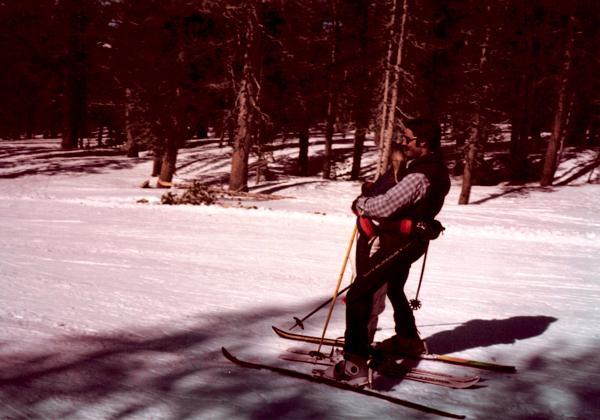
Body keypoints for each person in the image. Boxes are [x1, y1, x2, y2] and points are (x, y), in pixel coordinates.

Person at [333, 118, 450, 383]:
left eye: (408, 138)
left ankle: (355, 364)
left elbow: (384, 207)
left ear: (423, 142)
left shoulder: (420, 174)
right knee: (395, 286)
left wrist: (362, 202)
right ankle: (408, 340)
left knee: (359, 292)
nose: (404, 143)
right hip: (411, 243)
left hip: (399, 244)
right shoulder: (436, 169)